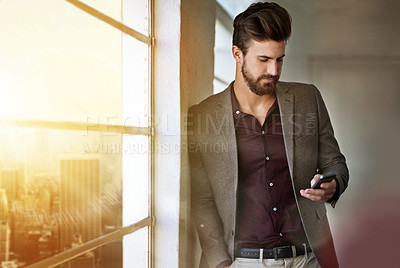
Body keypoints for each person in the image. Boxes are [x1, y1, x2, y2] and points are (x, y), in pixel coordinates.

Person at [188, 2, 349, 268]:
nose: (274, 71)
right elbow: (201, 199)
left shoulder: (308, 98)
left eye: (279, 59)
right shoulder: (203, 116)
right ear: (237, 54)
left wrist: (332, 185)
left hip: (309, 258)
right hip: (243, 262)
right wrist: (220, 262)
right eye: (263, 60)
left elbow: (335, 163)